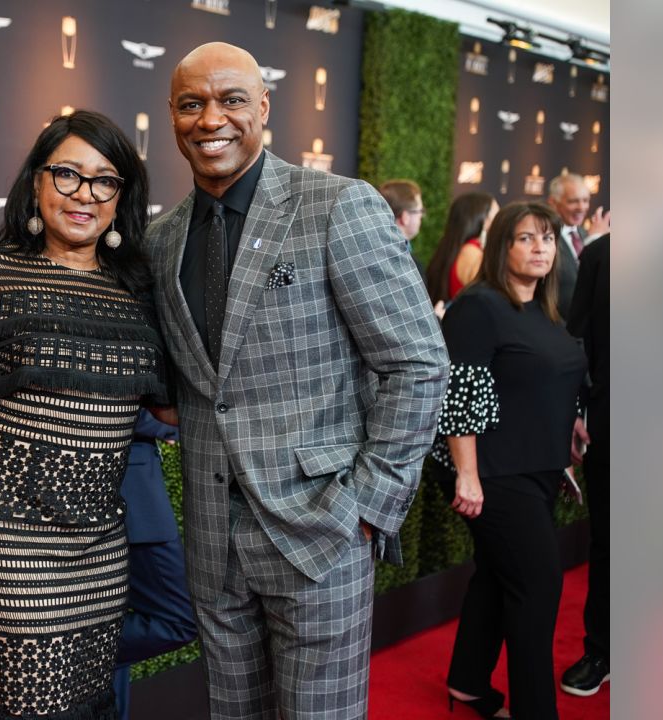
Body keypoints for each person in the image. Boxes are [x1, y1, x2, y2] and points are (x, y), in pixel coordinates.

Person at [143, 43, 448, 719]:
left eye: (231, 100)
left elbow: (419, 362)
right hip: (213, 545)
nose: (210, 118)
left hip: (323, 532)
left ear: (264, 108)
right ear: (171, 115)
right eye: (191, 104)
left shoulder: (336, 206)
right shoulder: (161, 240)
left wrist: (368, 507)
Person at [0, 110, 166, 720]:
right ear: (35, 182)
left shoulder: (137, 293)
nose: (84, 193)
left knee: (89, 701)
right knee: (23, 704)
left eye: (104, 180)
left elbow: (167, 404)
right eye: (66, 174)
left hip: (99, 547)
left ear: (121, 197)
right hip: (4, 543)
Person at [431, 202, 589, 719]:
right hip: (494, 472)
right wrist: (469, 477)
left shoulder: (546, 307)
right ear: (502, 245)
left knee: (499, 577)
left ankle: (469, 683)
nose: (540, 248)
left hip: (538, 469)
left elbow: (546, 384)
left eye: (546, 238)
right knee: (538, 588)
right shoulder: (479, 307)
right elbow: (458, 400)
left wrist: (570, 432)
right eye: (525, 238)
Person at [112, 409, 198, 720]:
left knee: (113, 622)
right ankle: (85, 643)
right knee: (181, 618)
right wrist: (173, 424)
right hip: (127, 487)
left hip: (135, 482)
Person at [561, 233, 610, 697]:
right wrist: (574, 412)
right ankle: (602, 649)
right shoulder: (599, 254)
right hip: (612, 421)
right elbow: (578, 338)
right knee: (610, 539)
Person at [547, 173, 610, 319]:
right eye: (573, 201)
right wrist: (593, 243)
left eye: (585, 200)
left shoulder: (584, 233)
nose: (581, 207)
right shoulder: (546, 237)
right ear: (553, 203)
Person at [424, 191, 499, 306]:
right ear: (485, 221)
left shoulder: (452, 250)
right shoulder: (474, 253)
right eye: (497, 216)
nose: (500, 222)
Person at [377, 178, 427, 279]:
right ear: (405, 217)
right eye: (420, 211)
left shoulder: (374, 252)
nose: (422, 216)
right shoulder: (411, 267)